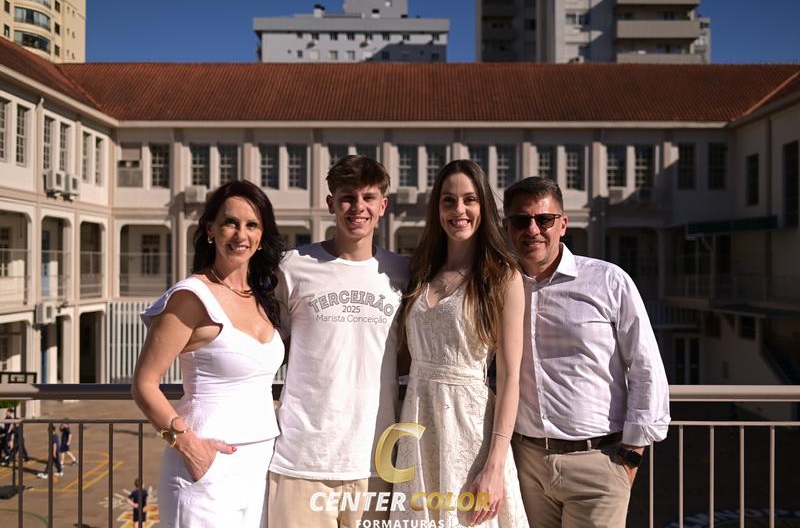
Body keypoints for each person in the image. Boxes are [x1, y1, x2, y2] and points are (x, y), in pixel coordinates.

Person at [503, 176, 670, 528]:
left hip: (599, 462)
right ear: (508, 227)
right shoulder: (500, 287)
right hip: (525, 464)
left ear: (563, 224)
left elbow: (645, 366)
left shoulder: (608, 281)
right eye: (520, 220)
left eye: (544, 219)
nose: (532, 230)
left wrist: (631, 456)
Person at [132, 179, 285, 527]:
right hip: (206, 464)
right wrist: (188, 446)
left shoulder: (264, 299)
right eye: (230, 222)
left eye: (252, 225)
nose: (241, 234)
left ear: (262, 236)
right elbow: (144, 384)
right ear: (211, 229)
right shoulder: (191, 296)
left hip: (262, 462)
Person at [268, 155, 408, 527]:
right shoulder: (292, 267)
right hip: (303, 460)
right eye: (347, 197)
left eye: (368, 197)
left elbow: (410, 354)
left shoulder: (401, 273)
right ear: (331, 203)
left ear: (382, 205)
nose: (358, 207)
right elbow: (264, 349)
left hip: (377, 460)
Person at [390, 160, 529, 527]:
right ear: (437, 209)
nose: (459, 210)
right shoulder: (421, 270)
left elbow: (510, 377)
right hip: (418, 421)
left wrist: (495, 465)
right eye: (448, 201)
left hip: (470, 428)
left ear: (484, 206)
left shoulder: (503, 276)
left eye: (470, 199)